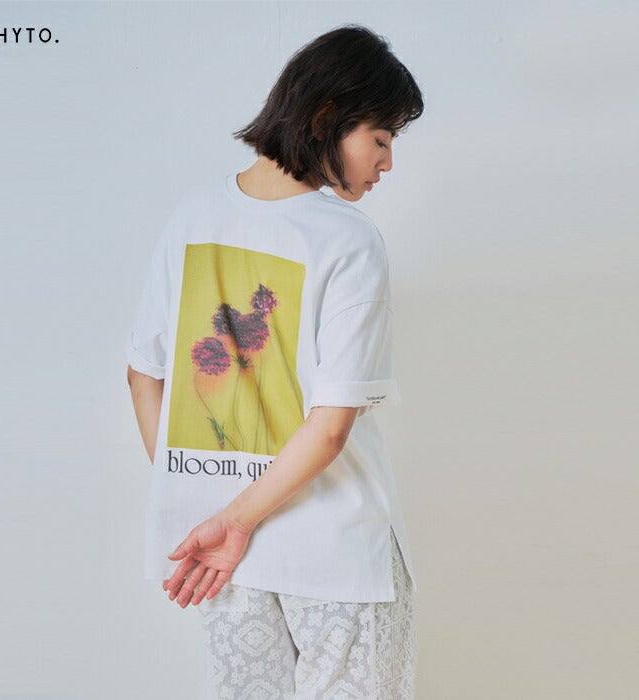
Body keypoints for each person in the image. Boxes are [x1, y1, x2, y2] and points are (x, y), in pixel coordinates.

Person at [125, 24, 424, 700]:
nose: (388, 163)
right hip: (336, 550)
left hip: (229, 558)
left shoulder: (192, 217)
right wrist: (234, 519)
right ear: (328, 117)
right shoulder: (347, 238)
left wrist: (211, 501)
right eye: (382, 138)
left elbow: (144, 374)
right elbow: (330, 427)